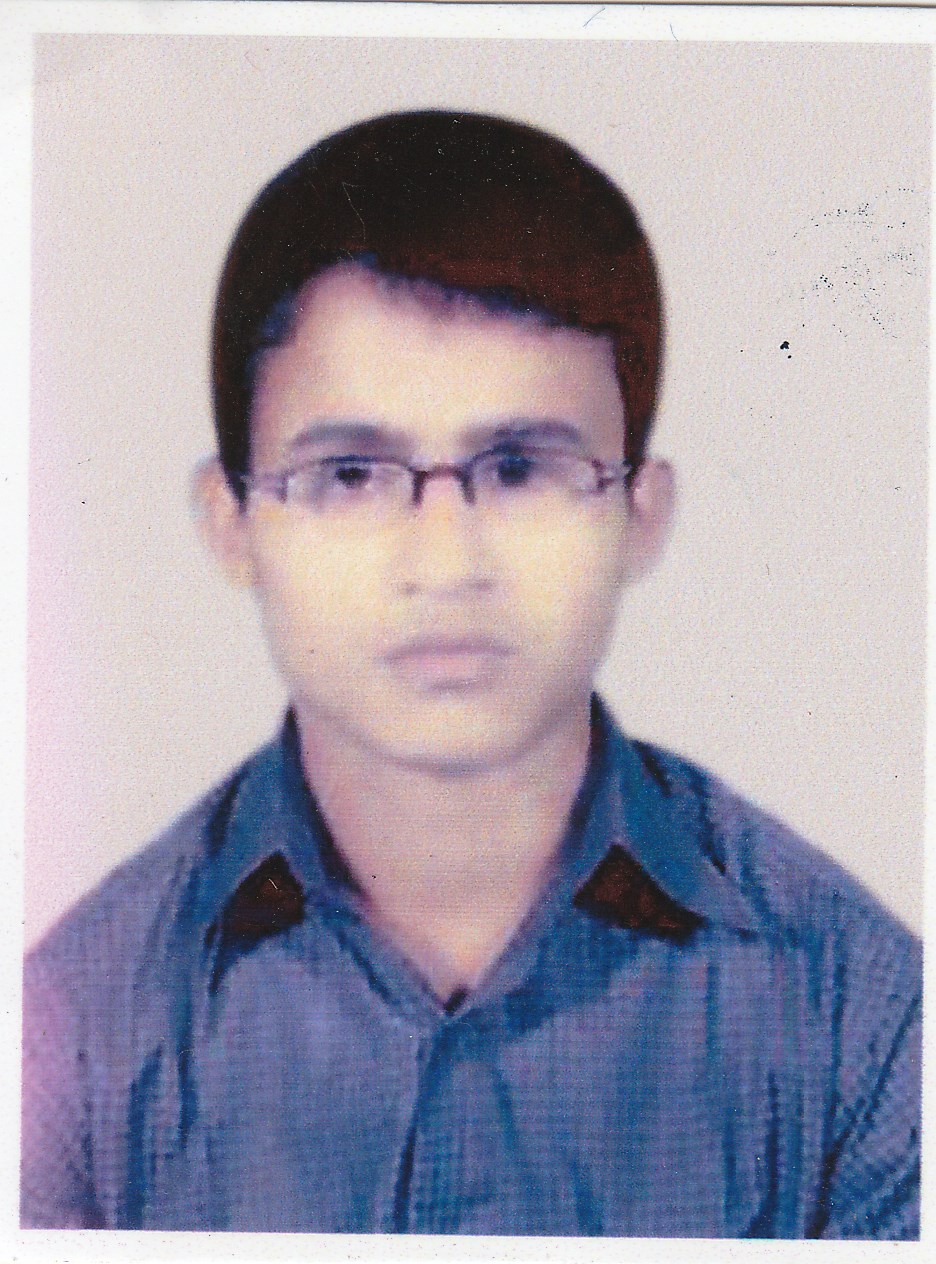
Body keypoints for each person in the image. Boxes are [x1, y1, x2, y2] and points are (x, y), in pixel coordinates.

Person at [21, 109, 921, 1237]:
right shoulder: (69, 1031)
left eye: (521, 467)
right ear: (233, 521)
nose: (446, 564)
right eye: (351, 474)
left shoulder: (859, 1017)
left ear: (641, 514)